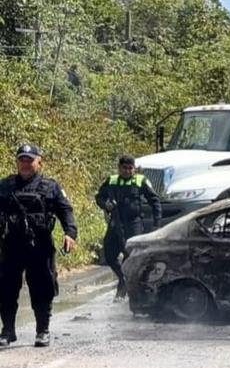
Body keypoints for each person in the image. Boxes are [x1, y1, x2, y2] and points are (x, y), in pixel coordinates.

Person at [0, 143, 78, 347]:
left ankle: (42, 330)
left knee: (43, 287)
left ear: (39, 162)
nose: (25, 164)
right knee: (6, 288)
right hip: (11, 244)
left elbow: (65, 210)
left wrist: (70, 233)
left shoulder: (50, 187)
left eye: (29, 160)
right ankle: (7, 330)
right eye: (21, 159)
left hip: (40, 245)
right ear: (17, 162)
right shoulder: (6, 186)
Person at [94, 154, 162, 300]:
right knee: (109, 254)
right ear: (119, 168)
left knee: (130, 256)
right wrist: (105, 204)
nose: (128, 171)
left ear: (134, 169)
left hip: (134, 223)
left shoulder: (140, 181)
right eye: (125, 168)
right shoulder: (111, 181)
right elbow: (99, 197)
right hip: (116, 222)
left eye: (131, 168)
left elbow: (155, 200)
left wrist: (157, 222)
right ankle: (122, 279)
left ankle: (125, 288)